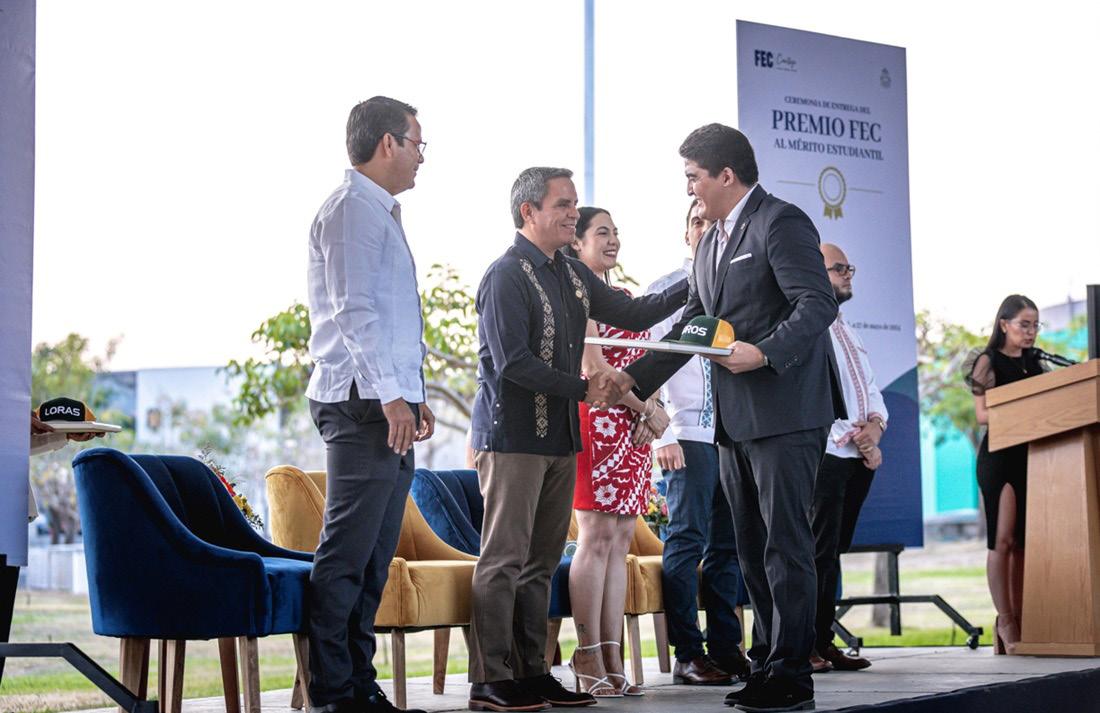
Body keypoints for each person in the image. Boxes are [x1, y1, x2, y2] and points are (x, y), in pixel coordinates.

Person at [613, 124, 843, 713]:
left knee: (785, 546)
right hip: (734, 419)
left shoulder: (780, 221)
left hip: (787, 411)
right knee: (752, 548)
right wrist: (633, 379)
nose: (689, 189)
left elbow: (816, 303)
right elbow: (695, 324)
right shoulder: (711, 241)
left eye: (693, 177)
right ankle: (767, 666)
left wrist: (764, 352)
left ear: (726, 175)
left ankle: (792, 676)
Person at [467, 167, 687, 712]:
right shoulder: (505, 275)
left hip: (561, 439)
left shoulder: (570, 273)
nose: (573, 213)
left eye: (574, 203)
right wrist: (586, 389)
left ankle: (533, 673)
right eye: (563, 204)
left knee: (540, 562)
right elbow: (512, 363)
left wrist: (698, 277)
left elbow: (635, 312)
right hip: (513, 438)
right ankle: (490, 680)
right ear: (529, 212)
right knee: (504, 559)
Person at [304, 96, 436, 713]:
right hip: (360, 403)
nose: (420, 157)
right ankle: (333, 692)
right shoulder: (351, 210)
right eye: (417, 144)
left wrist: (414, 393)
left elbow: (393, 318)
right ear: (388, 143)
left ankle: (359, 683)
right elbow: (353, 313)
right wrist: (392, 396)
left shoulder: (378, 211)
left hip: (384, 401)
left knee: (376, 556)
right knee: (348, 553)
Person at [567, 207, 675, 698]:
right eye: (601, 232)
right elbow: (594, 368)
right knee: (595, 539)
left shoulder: (627, 301)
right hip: (598, 423)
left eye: (615, 232)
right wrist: (645, 408)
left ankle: (614, 657)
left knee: (620, 540)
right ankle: (587, 653)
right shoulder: (579, 296)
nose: (612, 240)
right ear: (577, 242)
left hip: (635, 430)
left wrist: (653, 409)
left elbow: (647, 362)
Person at [647, 199, 750, 685]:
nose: (705, 229)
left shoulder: (739, 288)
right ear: (686, 233)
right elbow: (649, 363)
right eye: (696, 222)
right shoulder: (667, 290)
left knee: (728, 546)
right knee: (687, 542)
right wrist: (662, 435)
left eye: (714, 223)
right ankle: (688, 653)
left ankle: (727, 648)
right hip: (686, 434)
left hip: (733, 435)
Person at [808, 244, 887, 673]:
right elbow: (810, 394)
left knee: (833, 552)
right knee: (815, 553)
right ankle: (806, 645)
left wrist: (875, 426)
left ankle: (823, 641)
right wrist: (855, 437)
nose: (847, 274)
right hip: (826, 454)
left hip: (855, 454)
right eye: (838, 268)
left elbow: (868, 387)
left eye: (848, 267)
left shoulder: (846, 328)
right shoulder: (805, 324)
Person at [964, 295, 1044, 655]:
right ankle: (1005, 620)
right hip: (999, 457)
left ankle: (1025, 617)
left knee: (1025, 543)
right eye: (1024, 324)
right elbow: (982, 414)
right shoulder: (987, 361)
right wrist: (1023, 413)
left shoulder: (1036, 362)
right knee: (1004, 540)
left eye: (1035, 325)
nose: (1030, 332)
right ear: (1004, 325)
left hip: (1033, 456)